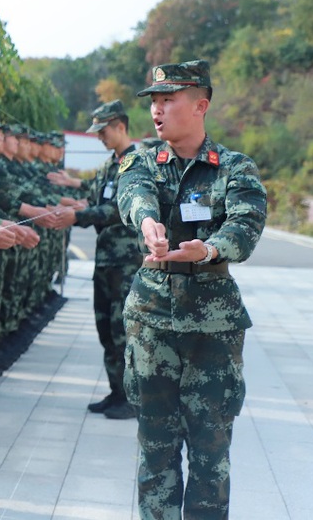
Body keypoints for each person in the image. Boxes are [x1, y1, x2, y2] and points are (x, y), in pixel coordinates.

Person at [117, 60, 267, 519]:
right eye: (154, 102)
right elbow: (133, 192)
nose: (157, 111)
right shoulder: (142, 160)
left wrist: (207, 250)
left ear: (200, 106)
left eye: (168, 100)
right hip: (152, 325)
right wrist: (147, 222)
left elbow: (245, 226)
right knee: (155, 450)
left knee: (209, 452)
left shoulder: (235, 168)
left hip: (212, 331)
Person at [45, 99, 142, 419]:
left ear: (120, 127)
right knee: (106, 329)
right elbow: (96, 193)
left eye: (103, 131)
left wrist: (77, 216)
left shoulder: (136, 164)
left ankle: (131, 397)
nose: (99, 137)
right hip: (107, 260)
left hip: (126, 261)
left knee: (123, 331)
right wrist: (74, 197)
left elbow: (116, 209)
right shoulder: (113, 164)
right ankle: (117, 391)